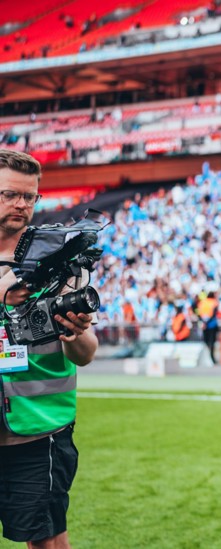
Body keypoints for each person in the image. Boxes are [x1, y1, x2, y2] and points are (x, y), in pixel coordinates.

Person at [0, 149, 99, 548]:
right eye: (10, 195)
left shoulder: (60, 257)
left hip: (37, 432)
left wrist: (79, 336)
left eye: (30, 197)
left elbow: (86, 353)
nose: (22, 205)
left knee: (48, 542)